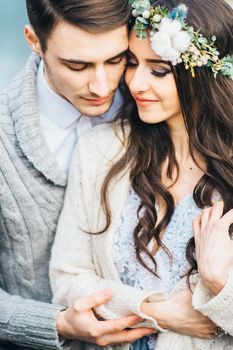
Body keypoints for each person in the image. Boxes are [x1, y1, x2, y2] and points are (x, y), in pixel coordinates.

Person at [50, 0, 233, 349]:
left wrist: (219, 283)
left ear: (204, 73)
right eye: (131, 63)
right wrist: (151, 310)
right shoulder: (102, 149)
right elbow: (68, 277)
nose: (135, 82)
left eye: (159, 70)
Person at [0, 0, 156, 349]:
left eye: (116, 60)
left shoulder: (158, 107)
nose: (101, 86)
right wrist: (56, 323)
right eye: (77, 65)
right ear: (34, 40)